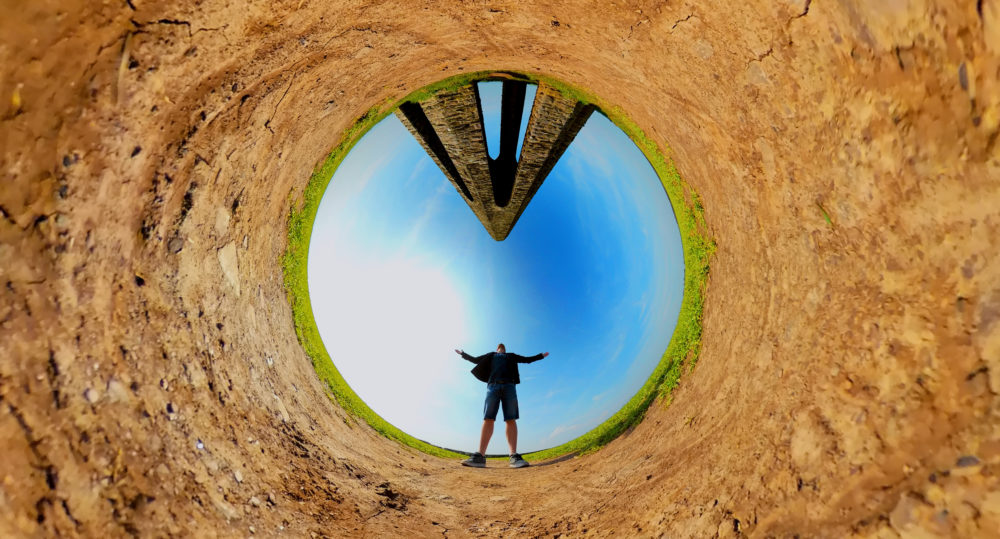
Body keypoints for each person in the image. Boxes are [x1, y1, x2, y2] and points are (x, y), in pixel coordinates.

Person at [454, 343, 549, 468]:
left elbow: (526, 360)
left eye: (503, 348)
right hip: (492, 386)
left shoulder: (511, 356)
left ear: (505, 350)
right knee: (488, 418)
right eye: (500, 348)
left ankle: (513, 456)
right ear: (496, 349)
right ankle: (480, 457)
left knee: (510, 418)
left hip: (509, 386)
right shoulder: (491, 355)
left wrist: (540, 356)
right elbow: (476, 360)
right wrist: (463, 354)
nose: (501, 349)